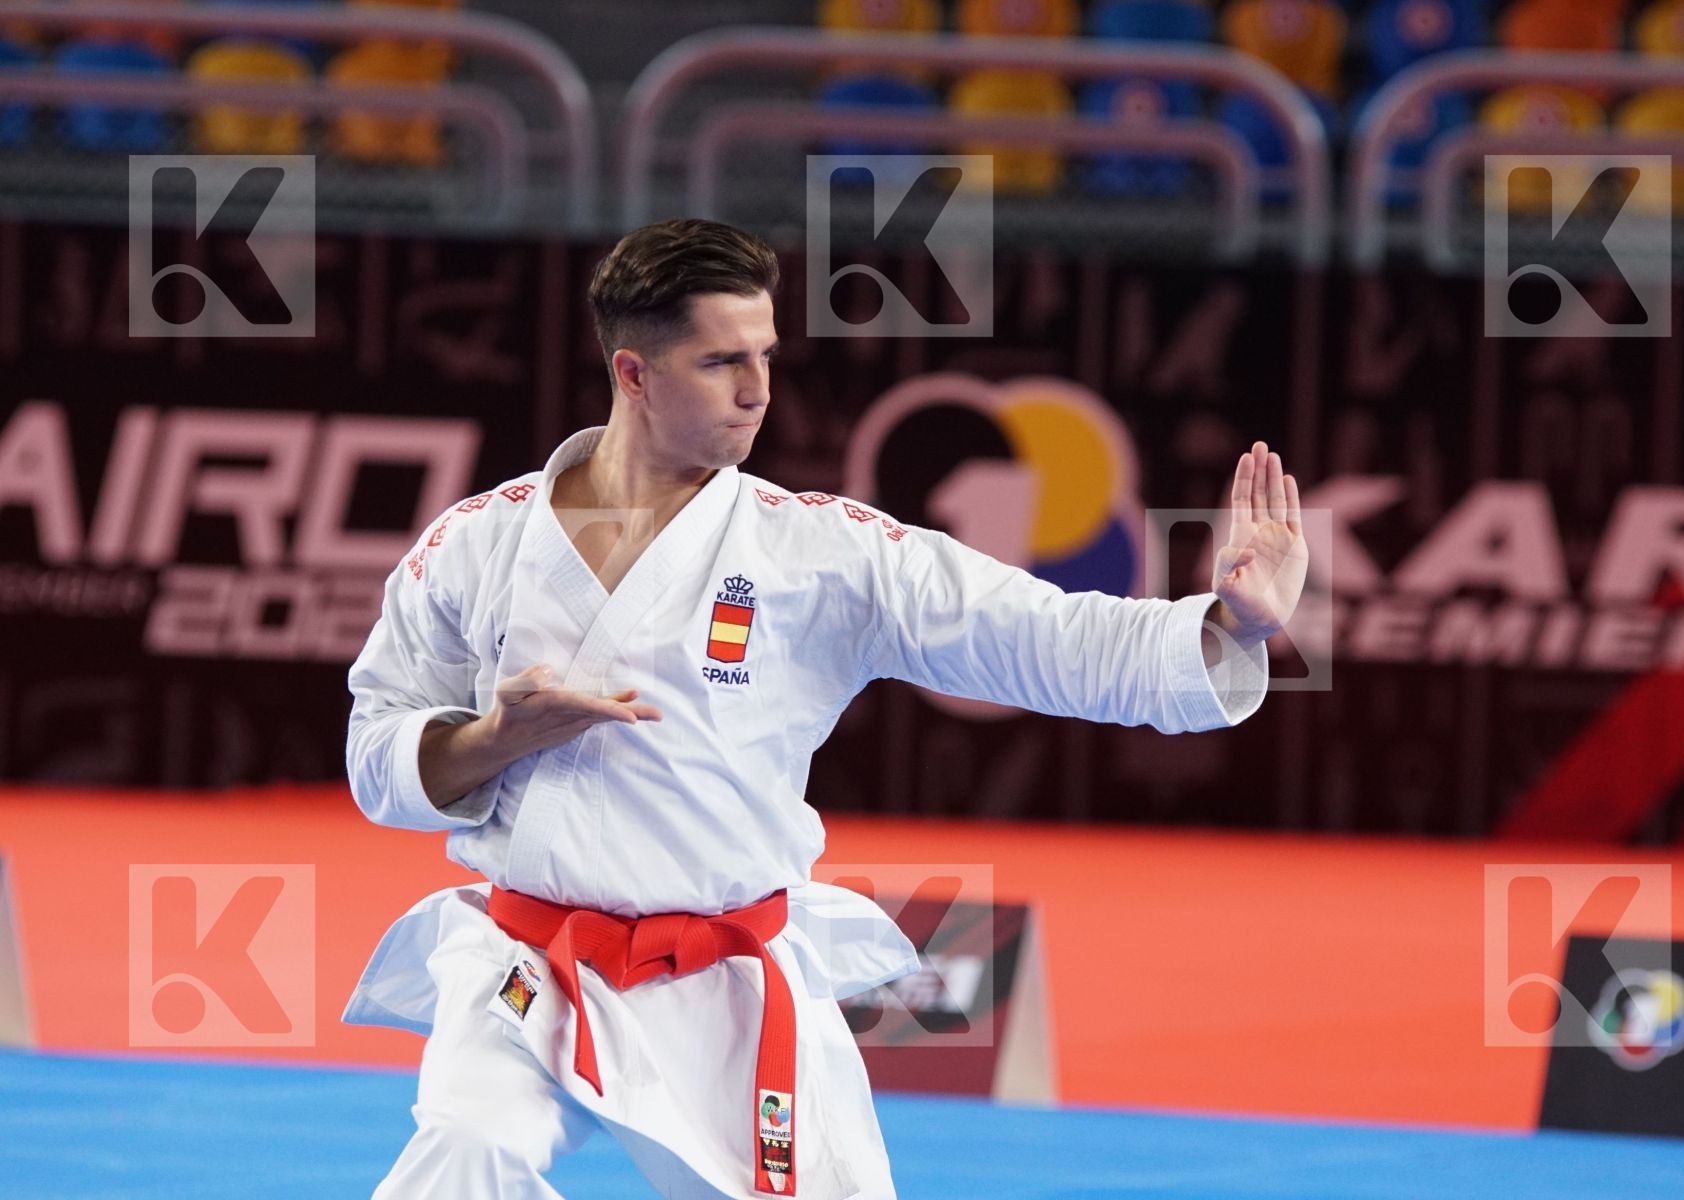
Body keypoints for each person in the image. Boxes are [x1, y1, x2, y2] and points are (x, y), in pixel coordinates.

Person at [342, 218, 1308, 1199]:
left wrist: (1227, 626)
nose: (758, 389)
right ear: (633, 374)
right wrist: (491, 739)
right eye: (721, 362)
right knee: (468, 1150)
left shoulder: (814, 555)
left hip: (722, 976)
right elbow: (375, 750)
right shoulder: (477, 545)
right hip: (528, 960)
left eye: (765, 355)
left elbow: (1040, 636)